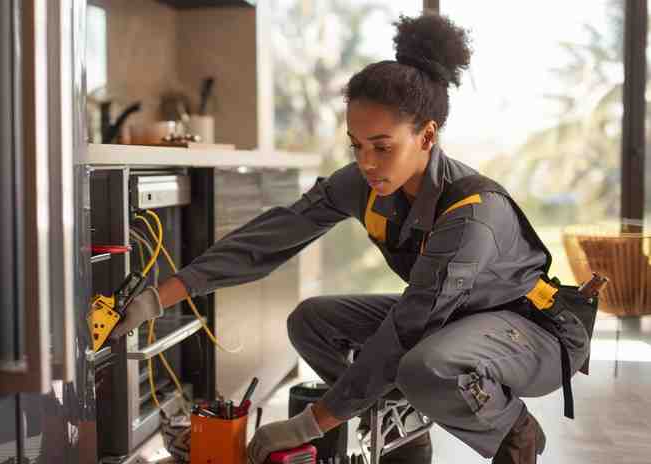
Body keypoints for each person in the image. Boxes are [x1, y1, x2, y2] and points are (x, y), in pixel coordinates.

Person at [110, 14, 592, 464]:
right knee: (312, 321)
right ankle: (403, 420)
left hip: (530, 332)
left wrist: (308, 424)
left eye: (383, 147)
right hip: (455, 320)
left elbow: (408, 327)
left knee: (427, 365)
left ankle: (515, 431)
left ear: (427, 137)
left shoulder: (471, 216)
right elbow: (272, 236)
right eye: (356, 145)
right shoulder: (362, 184)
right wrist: (159, 296)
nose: (367, 162)